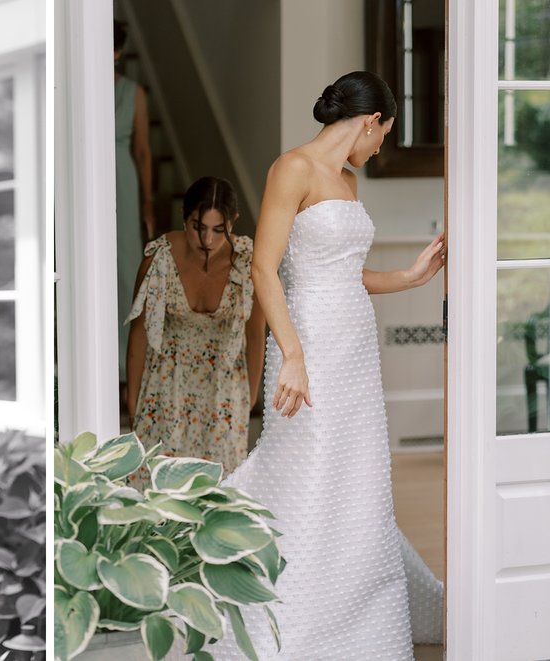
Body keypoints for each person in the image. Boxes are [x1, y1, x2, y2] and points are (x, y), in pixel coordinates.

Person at [204, 72, 445, 659]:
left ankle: (357, 612)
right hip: (305, 340)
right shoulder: (292, 169)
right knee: (306, 465)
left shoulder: (348, 181)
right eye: (384, 132)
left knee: (356, 475)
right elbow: (265, 268)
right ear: (370, 121)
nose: (381, 145)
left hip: (354, 346)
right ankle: (290, 616)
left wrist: (410, 277)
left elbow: (348, 274)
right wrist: (292, 355)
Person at [125, 177, 265, 479]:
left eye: (219, 229)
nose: (208, 241)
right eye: (197, 227)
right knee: (158, 480)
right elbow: (138, 332)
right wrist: (133, 399)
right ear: (183, 217)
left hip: (224, 388)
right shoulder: (158, 258)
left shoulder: (248, 264)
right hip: (166, 383)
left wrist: (249, 397)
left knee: (218, 485)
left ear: (234, 221)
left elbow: (256, 334)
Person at [115, 19, 155, 389]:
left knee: (128, 268)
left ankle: (127, 363)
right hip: (87, 175)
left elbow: (142, 151)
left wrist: (146, 201)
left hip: (123, 179)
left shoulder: (133, 91)